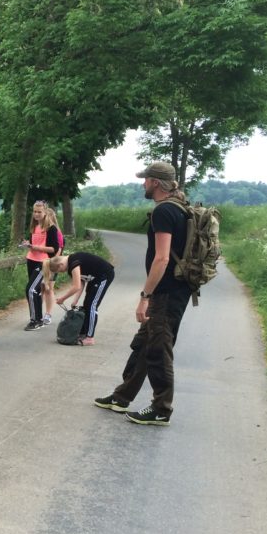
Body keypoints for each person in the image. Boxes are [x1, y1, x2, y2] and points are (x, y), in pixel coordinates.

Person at [94, 162, 192, 426]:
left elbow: (161, 259)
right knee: (144, 346)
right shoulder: (180, 208)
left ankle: (161, 409)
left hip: (166, 292)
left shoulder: (164, 212)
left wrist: (145, 296)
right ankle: (122, 397)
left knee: (159, 348)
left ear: (156, 183)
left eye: (146, 179)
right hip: (176, 290)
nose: (142, 184)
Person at [46, 252, 115, 345]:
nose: (62, 272)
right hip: (94, 278)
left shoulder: (74, 263)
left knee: (92, 305)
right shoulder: (71, 266)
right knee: (87, 304)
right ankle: (84, 333)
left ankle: (90, 338)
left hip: (104, 275)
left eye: (60, 270)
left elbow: (76, 286)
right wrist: (75, 300)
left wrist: (63, 298)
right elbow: (81, 282)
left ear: (61, 264)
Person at [21, 201, 61, 331]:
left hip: (43, 262)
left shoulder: (51, 228)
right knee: (36, 291)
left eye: (39, 212)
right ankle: (37, 318)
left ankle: (35, 320)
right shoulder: (34, 226)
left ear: (45, 212)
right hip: (31, 259)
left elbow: (54, 249)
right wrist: (28, 244)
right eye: (34, 211)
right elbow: (33, 243)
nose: (36, 214)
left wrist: (36, 247)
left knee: (30, 289)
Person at [41, 205, 65, 325]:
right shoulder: (41, 230)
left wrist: (51, 267)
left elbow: (58, 251)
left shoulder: (56, 232)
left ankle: (48, 314)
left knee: (48, 288)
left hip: (51, 264)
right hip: (41, 263)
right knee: (40, 288)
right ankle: (37, 314)